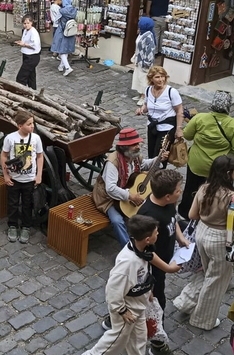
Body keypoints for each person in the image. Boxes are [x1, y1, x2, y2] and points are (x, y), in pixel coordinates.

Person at [173, 155, 234, 330]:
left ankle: (186, 302)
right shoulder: (233, 198)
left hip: (202, 233)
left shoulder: (203, 188)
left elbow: (192, 215)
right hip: (221, 239)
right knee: (216, 281)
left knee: (206, 272)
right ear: (228, 173)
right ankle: (202, 319)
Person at [81, 215, 160, 355]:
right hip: (128, 311)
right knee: (115, 341)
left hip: (139, 306)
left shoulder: (143, 250)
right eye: (156, 232)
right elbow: (113, 290)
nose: (158, 233)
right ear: (147, 239)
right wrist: (122, 311)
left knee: (139, 340)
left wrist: (148, 291)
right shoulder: (127, 263)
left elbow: (143, 275)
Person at [135, 170, 188, 351]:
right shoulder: (148, 216)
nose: (180, 192)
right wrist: (168, 268)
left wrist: (180, 238)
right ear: (167, 196)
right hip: (152, 269)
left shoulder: (169, 203)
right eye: (178, 190)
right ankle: (157, 340)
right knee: (157, 301)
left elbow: (173, 220)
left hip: (164, 258)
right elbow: (146, 253)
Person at [178, 91, 234, 220]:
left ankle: (185, 213)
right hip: (218, 166)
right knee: (215, 190)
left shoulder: (200, 118)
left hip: (196, 163)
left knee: (191, 188)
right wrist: (229, 160)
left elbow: (187, 135)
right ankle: (208, 213)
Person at [92, 128, 167, 248]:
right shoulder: (112, 163)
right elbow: (110, 189)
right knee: (117, 221)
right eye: (134, 144)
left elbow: (144, 165)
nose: (138, 146)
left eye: (138, 143)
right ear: (124, 147)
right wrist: (130, 196)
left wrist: (158, 159)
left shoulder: (135, 156)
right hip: (107, 198)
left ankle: (149, 238)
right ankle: (128, 249)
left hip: (128, 192)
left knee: (149, 209)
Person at [1, 110, 44, 244]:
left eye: (33, 123)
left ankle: (26, 226)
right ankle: (12, 225)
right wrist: (6, 175)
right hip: (14, 178)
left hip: (29, 179)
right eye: (29, 124)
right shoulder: (10, 138)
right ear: (20, 126)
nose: (32, 126)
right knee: (13, 203)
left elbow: (39, 156)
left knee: (28, 204)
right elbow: (4, 155)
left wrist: (39, 175)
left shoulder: (36, 138)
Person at [135, 66, 183, 163]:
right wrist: (141, 110)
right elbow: (146, 105)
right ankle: (150, 176)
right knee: (151, 155)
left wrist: (178, 129)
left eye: (162, 76)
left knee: (161, 156)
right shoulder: (148, 90)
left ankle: (159, 176)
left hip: (167, 129)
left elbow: (179, 111)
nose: (161, 79)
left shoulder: (171, 92)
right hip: (152, 126)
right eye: (157, 77)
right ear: (151, 78)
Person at [50, 0, 77, 76]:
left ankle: (68, 67)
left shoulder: (62, 11)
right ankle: (61, 66)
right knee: (65, 50)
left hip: (62, 32)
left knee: (60, 50)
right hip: (70, 32)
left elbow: (56, 20)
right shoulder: (74, 10)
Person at [132, 17, 156, 106]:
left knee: (144, 80)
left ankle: (144, 97)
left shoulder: (149, 36)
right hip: (139, 60)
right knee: (137, 77)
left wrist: (147, 63)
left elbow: (150, 51)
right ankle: (139, 94)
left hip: (144, 63)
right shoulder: (142, 33)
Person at [14, 14, 41, 90]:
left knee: (21, 77)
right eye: (24, 23)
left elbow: (35, 45)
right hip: (26, 55)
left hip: (32, 56)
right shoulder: (25, 31)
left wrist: (24, 44)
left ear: (31, 23)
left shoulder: (33, 32)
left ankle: (20, 91)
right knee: (31, 76)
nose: (26, 25)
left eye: (28, 23)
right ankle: (32, 91)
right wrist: (21, 43)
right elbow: (25, 41)